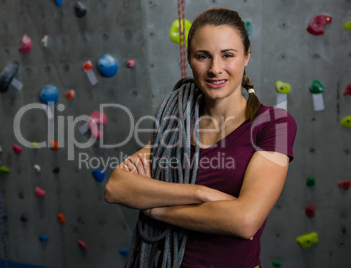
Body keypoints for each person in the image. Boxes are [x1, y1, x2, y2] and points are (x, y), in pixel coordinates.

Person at [104, 7, 297, 268]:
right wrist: (202, 194)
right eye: (203, 56)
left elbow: (245, 221)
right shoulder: (176, 122)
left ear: (247, 57)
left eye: (228, 55)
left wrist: (155, 208)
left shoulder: (274, 124)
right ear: (191, 60)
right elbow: (116, 188)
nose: (215, 69)